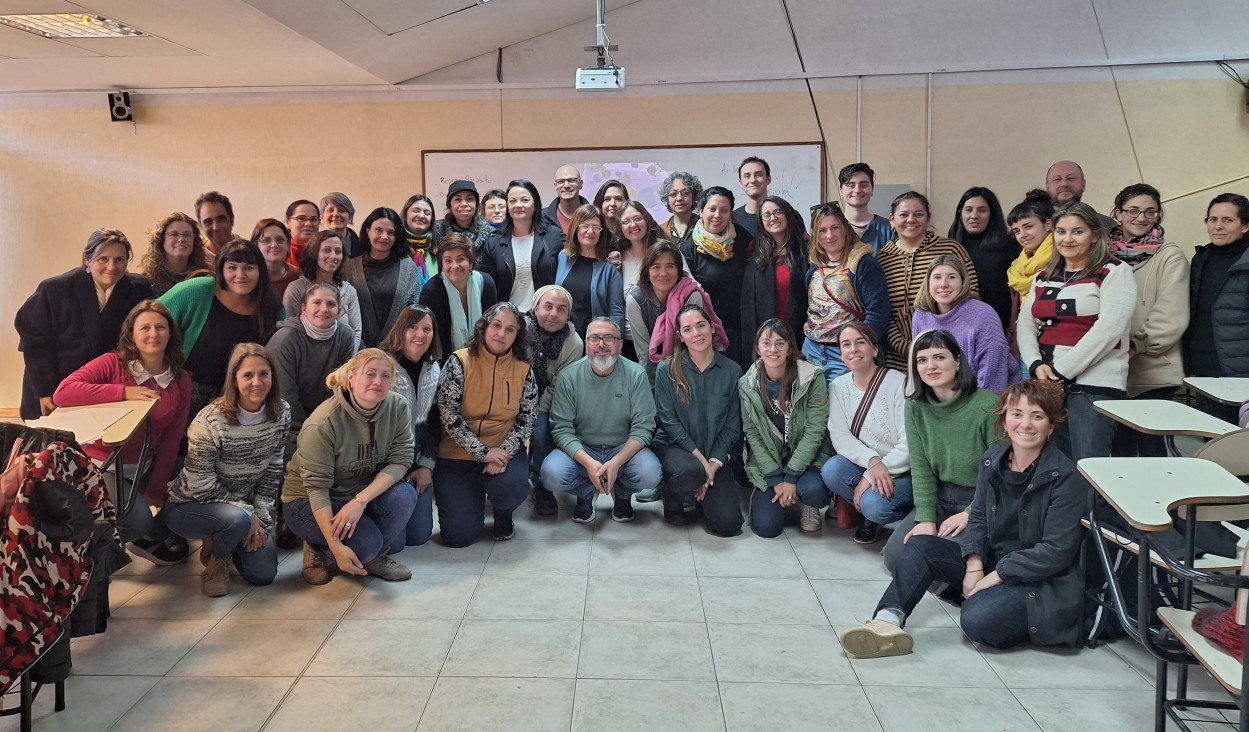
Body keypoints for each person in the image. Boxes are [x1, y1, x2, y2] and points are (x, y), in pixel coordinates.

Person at [840, 380, 1086, 656]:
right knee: (921, 544)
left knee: (977, 621)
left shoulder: (1065, 476)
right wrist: (974, 564)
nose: (1026, 424)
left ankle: (991, 602)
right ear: (1005, 421)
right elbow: (978, 517)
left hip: (1039, 581)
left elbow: (1056, 551)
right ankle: (886, 622)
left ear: (1051, 427)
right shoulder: (993, 459)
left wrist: (994, 577)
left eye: (1037, 416)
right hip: (995, 560)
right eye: (1017, 414)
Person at [52, 300, 192, 559]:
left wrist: (155, 490)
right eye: (145, 328)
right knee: (139, 523)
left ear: (170, 333)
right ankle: (83, 558)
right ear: (131, 334)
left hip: (142, 468)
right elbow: (63, 393)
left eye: (161, 327)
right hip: (100, 464)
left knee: (183, 481)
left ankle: (110, 549)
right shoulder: (111, 363)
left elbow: (172, 439)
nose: (153, 334)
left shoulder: (181, 380)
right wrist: (123, 392)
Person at [282, 349, 417, 584]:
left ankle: (374, 555)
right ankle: (318, 546)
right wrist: (336, 547)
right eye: (370, 374)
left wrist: (359, 501)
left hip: (356, 493)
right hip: (308, 500)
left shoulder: (398, 407)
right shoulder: (322, 423)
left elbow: (401, 460)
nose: (378, 381)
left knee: (405, 495)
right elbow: (317, 489)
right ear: (351, 378)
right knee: (365, 545)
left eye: (386, 376)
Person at [164, 343, 290, 596]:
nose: (257, 382)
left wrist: (262, 517)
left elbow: (274, 469)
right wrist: (248, 515)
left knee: (263, 575)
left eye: (264, 374)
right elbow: (201, 485)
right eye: (248, 375)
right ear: (234, 380)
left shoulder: (281, 412)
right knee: (235, 520)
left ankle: (225, 538)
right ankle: (217, 562)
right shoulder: (209, 421)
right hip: (191, 506)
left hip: (243, 509)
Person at [1017, 202, 1136, 462]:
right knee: (1059, 467)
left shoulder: (1115, 272)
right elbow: (1026, 324)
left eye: (1077, 232)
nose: (1067, 239)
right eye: (1061, 232)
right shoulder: (1043, 276)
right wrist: (1037, 365)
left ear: (1095, 235)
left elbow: (1109, 329)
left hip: (1093, 385)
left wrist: (1061, 372)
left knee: (1091, 468)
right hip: (1048, 383)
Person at [881, 330, 998, 572]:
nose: (930, 366)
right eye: (922, 360)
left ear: (957, 361)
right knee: (895, 559)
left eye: (939, 357)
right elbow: (921, 466)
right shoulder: (915, 407)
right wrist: (926, 518)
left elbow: (1000, 474)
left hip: (981, 499)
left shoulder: (988, 405)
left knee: (944, 559)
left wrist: (970, 513)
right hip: (942, 498)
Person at [16, 228, 154, 419]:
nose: (111, 267)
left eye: (119, 260)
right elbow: (34, 342)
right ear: (87, 260)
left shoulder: (139, 288)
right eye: (103, 259)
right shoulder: (55, 289)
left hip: (106, 385)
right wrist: (44, 391)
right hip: (55, 383)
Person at [434, 302, 537, 545]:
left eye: (510, 329)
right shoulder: (459, 361)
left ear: (517, 335)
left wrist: (501, 454)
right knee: (458, 537)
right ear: (484, 327)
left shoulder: (523, 368)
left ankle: (503, 512)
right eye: (496, 325)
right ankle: (472, 497)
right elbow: (449, 415)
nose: (501, 334)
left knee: (511, 488)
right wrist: (484, 454)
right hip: (457, 453)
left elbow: (527, 417)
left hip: (503, 449)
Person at [541, 318, 662, 523]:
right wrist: (589, 463)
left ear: (620, 344)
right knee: (551, 474)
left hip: (623, 449)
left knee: (650, 473)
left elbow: (643, 427)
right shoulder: (568, 376)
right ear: (586, 344)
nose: (601, 344)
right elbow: (561, 429)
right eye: (594, 338)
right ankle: (586, 492)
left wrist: (616, 462)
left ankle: (623, 494)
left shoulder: (636, 374)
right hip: (582, 449)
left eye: (609, 338)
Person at [1106, 184, 1190, 457]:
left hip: (1153, 372)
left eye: (1150, 211)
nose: (1141, 218)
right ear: (1118, 213)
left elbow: (1170, 315)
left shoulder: (1170, 256)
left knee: (1154, 454)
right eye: (1133, 210)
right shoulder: (1103, 254)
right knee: (1121, 453)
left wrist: (1134, 346)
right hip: (1113, 373)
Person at [159, 240, 284, 418]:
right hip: (187, 395)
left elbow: (278, 354)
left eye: (249, 268)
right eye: (232, 268)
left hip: (244, 400)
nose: (240, 275)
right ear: (221, 270)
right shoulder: (197, 290)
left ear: (260, 271)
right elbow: (147, 319)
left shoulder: (272, 306)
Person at [652, 305, 745, 535]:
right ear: (680, 337)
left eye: (701, 325)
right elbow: (668, 422)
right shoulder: (667, 369)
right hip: (676, 449)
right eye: (688, 329)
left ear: (712, 328)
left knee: (728, 526)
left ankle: (702, 496)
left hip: (714, 453)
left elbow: (733, 425)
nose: (696, 333)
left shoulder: (732, 371)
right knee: (690, 473)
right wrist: (701, 463)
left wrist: (712, 464)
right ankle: (673, 494)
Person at [740, 319, 832, 538]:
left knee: (814, 491)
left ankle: (808, 503)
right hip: (772, 462)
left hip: (807, 461)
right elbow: (752, 433)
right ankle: (781, 494)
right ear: (757, 348)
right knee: (766, 529)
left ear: (790, 348)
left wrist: (791, 477)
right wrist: (775, 479)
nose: (773, 349)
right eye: (766, 343)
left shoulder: (812, 378)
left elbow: (814, 431)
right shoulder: (747, 383)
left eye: (780, 343)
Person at [822, 321, 910, 545]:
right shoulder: (838, 386)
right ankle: (870, 509)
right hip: (869, 463)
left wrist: (871, 475)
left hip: (901, 469)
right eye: (846, 344)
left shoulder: (899, 383)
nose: (853, 349)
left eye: (860, 342)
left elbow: (909, 444)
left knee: (874, 506)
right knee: (832, 470)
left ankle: (887, 512)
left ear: (875, 349)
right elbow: (840, 436)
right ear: (841, 354)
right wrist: (871, 462)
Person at [877, 191, 979, 371]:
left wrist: (938, 348)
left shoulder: (950, 248)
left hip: (946, 355)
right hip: (897, 360)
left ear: (928, 218)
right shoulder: (883, 258)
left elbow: (971, 297)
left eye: (918, 214)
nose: (911, 220)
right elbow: (883, 311)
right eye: (903, 215)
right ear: (892, 220)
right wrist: (909, 348)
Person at [802, 202, 889, 384]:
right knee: (813, 409)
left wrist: (858, 347)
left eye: (835, 228)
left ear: (845, 229)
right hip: (811, 350)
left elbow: (878, 311)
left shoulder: (863, 264)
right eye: (822, 230)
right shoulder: (814, 266)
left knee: (846, 407)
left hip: (845, 354)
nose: (829, 235)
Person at [380, 306, 443, 552]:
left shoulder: (434, 368)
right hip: (385, 465)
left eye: (427, 329)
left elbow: (434, 423)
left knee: (418, 536)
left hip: (417, 461)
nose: (420, 334)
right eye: (413, 327)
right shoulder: (382, 365)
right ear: (400, 330)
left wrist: (426, 465)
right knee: (394, 545)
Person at [267, 282, 356, 446]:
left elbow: (337, 386)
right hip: (285, 423)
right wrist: (309, 431)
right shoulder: (284, 341)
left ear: (339, 312)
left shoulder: (346, 336)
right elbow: (285, 395)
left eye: (331, 304)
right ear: (304, 309)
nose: (324, 309)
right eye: (316, 303)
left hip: (324, 419)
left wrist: (325, 425)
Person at [1184, 194, 1249, 417]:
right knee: (1213, 444)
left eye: (1228, 220)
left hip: (1241, 375)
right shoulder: (1201, 259)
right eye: (1212, 220)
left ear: (1245, 226)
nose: (1218, 227)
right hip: (1203, 372)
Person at [911, 255, 1018, 393]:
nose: (943, 284)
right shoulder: (921, 316)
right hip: (942, 399)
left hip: (982, 398)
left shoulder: (983, 314)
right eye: (937, 277)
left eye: (952, 277)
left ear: (963, 281)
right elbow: (921, 366)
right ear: (928, 283)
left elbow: (993, 375)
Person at [524, 286, 584, 516]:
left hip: (548, 403)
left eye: (561, 309)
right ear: (535, 307)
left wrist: (534, 412)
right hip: (512, 400)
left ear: (568, 315)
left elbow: (558, 388)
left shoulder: (573, 343)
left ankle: (542, 486)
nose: (553, 314)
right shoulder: (518, 332)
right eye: (547, 306)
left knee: (541, 432)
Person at [626, 240, 725, 380]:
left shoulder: (691, 295)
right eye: (656, 267)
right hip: (653, 375)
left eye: (670, 266)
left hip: (692, 371)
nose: (663, 273)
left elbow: (693, 347)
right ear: (647, 272)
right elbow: (644, 353)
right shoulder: (635, 300)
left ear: (679, 271)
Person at [681, 186, 756, 368]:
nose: (717, 215)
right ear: (700, 211)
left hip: (740, 328)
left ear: (731, 214)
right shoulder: (689, 249)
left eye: (724, 211)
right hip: (705, 332)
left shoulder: (743, 238)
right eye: (712, 209)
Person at [478, 179, 565, 310]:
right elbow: (486, 285)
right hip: (509, 317)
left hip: (545, 317)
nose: (518, 205)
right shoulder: (494, 241)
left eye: (524, 200)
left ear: (535, 205)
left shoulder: (553, 235)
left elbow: (577, 254)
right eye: (512, 201)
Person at [345, 207, 423, 348]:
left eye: (391, 232)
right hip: (358, 353)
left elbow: (413, 312)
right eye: (379, 230)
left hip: (398, 351)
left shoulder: (409, 268)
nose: (384, 237)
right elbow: (346, 314)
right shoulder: (349, 268)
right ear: (368, 231)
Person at [947, 187, 1019, 330]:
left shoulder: (1010, 246)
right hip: (957, 327)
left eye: (982, 210)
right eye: (968, 210)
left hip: (999, 327)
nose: (974, 216)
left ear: (992, 214)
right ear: (960, 213)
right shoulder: (949, 247)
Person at [742, 196, 808, 351]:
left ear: (788, 215)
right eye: (767, 215)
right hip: (768, 339)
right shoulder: (756, 252)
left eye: (778, 212)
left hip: (800, 334)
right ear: (761, 221)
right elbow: (748, 303)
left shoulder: (806, 250)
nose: (773, 218)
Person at [420, 232, 499, 357]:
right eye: (448, 260)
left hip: (485, 356)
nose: (454, 266)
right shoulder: (431, 291)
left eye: (460, 259)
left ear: (471, 262)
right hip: (445, 360)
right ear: (442, 264)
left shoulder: (486, 283)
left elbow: (492, 328)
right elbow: (437, 340)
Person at [284, 229, 364, 348]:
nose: (333, 256)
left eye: (338, 251)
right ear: (314, 253)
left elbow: (356, 332)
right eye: (327, 250)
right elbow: (290, 330)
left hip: (343, 360)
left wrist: (347, 363)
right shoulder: (296, 289)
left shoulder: (349, 291)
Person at [555, 203, 625, 338]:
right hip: (563, 335)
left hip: (595, 338)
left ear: (601, 232)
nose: (590, 231)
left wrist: (616, 343)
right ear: (575, 228)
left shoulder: (610, 266)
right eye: (585, 226)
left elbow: (616, 311)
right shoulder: (563, 257)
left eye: (596, 227)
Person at [1005, 190, 1056, 315]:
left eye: (1028, 227)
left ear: (1048, 224)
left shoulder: (1064, 258)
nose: (1023, 235)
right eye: (1017, 231)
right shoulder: (1018, 267)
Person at [138, 212, 211, 297]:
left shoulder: (205, 277)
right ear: (162, 239)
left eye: (187, 235)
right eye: (174, 234)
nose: (181, 239)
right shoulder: (145, 280)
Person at [837, 163, 895, 253]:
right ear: (841, 191)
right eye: (851, 185)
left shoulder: (888, 229)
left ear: (872, 189)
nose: (857, 190)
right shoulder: (831, 229)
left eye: (863, 185)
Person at [1044, 160, 1117, 232]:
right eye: (1057, 179)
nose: (1064, 184)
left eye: (1071, 178)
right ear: (1047, 187)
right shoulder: (1037, 226)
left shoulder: (1106, 225)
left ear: (1083, 185)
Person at [251, 218, 300, 298]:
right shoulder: (248, 276)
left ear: (288, 244)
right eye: (266, 240)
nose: (274, 245)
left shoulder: (297, 276)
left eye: (280, 240)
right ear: (256, 246)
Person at [435, 179, 491, 248]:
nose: (464, 204)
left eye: (470, 199)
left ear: (476, 205)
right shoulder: (436, 230)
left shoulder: (490, 233)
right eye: (458, 199)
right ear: (449, 206)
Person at [657, 171, 703, 247]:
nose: (679, 198)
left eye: (685, 193)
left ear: (694, 196)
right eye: (673, 194)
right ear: (667, 199)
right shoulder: (660, 231)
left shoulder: (705, 226)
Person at [400, 194, 437, 285]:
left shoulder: (436, 249)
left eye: (427, 213)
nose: (421, 215)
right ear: (406, 214)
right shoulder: (395, 245)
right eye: (416, 211)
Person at [543, 165, 590, 235]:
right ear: (555, 186)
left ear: (581, 183)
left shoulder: (594, 216)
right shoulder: (542, 218)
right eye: (561, 181)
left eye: (572, 180)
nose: (566, 185)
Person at [732, 156, 770, 237]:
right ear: (741, 183)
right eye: (747, 176)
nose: (753, 180)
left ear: (768, 179)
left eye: (758, 175)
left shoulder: (787, 215)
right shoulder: (731, 220)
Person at [195, 190, 239, 257]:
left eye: (221, 219)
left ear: (232, 220)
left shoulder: (248, 251)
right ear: (200, 226)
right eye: (208, 222)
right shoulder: (195, 254)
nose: (216, 227)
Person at [320, 191, 362, 259]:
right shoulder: (314, 246)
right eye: (330, 210)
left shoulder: (364, 247)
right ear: (321, 218)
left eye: (341, 210)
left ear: (350, 217)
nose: (336, 214)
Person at [592, 179, 628, 250]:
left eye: (618, 199)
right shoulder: (594, 231)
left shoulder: (632, 230)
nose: (612, 204)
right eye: (607, 199)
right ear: (600, 203)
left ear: (626, 202)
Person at [284, 200, 321, 266]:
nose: (308, 224)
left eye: (313, 219)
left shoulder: (327, 251)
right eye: (301, 218)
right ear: (288, 223)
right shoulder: (278, 249)